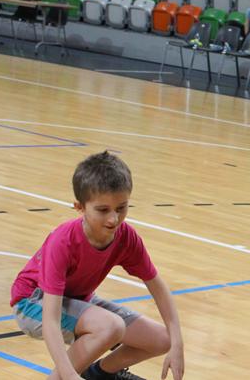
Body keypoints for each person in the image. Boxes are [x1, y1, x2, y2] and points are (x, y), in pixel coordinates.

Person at [10, 151, 185, 380]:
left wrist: (177, 344)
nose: (114, 219)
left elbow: (158, 287)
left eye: (121, 208)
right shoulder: (63, 241)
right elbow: (51, 321)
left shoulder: (126, 237)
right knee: (111, 326)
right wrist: (69, 375)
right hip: (33, 302)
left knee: (162, 339)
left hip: (77, 299)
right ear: (80, 207)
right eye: (103, 210)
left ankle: (100, 374)